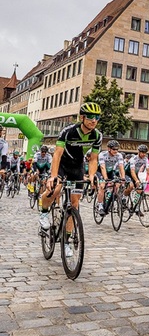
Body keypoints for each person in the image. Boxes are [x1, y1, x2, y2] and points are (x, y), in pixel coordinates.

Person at [39, 102, 103, 257]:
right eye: (90, 117)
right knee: (54, 190)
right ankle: (44, 212)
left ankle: (66, 241)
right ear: (82, 117)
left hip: (77, 167)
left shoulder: (97, 136)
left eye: (97, 117)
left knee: (74, 203)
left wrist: (93, 174)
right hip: (62, 164)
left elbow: (93, 159)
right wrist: (53, 176)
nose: (94, 120)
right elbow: (57, 154)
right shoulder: (68, 132)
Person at [96, 140, 125, 216]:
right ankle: (100, 205)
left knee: (117, 184)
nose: (116, 151)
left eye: (117, 149)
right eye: (114, 149)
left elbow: (121, 167)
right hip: (100, 171)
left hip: (110, 171)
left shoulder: (119, 155)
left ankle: (109, 198)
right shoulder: (102, 154)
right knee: (102, 186)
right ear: (109, 149)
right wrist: (105, 178)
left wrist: (123, 178)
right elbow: (102, 167)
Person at [127, 145, 149, 214]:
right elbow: (132, 171)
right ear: (139, 152)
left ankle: (136, 207)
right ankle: (123, 198)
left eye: (145, 153)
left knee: (140, 190)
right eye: (142, 152)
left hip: (136, 174)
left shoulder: (145, 159)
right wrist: (136, 180)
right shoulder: (133, 159)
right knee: (131, 186)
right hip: (128, 173)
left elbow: (148, 169)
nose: (144, 154)